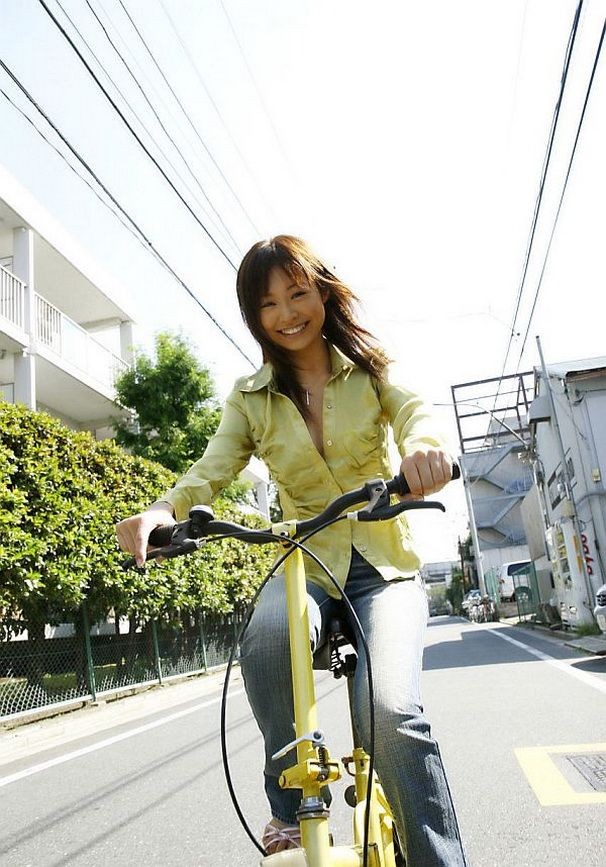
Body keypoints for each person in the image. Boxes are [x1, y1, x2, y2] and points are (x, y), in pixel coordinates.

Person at [116, 235, 467, 864]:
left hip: (385, 569)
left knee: (391, 715)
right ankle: (287, 805)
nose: (288, 312)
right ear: (255, 316)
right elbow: (211, 470)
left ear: (322, 292)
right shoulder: (249, 399)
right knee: (269, 631)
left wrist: (425, 452)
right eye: (269, 302)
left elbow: (417, 412)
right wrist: (163, 510)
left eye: (298, 292)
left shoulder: (370, 370)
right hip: (305, 564)